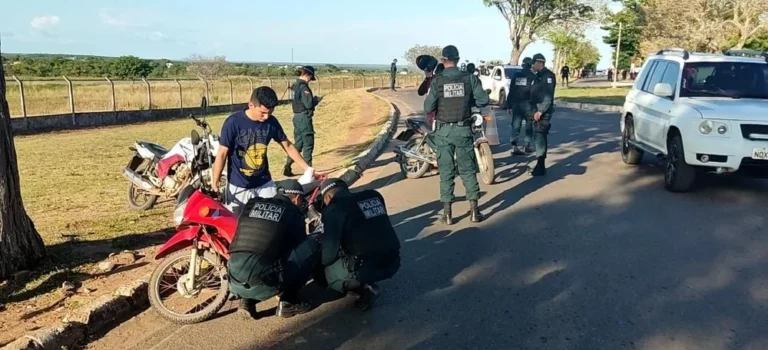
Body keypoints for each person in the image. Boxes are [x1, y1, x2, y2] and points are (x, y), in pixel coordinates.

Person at [228, 179, 321, 319]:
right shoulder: (291, 212)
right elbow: (299, 245)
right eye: (301, 199)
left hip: (234, 279)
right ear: (296, 198)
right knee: (311, 246)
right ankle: (288, 302)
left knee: (255, 253)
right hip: (262, 280)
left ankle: (247, 301)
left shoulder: (252, 204)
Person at [212, 86, 312, 216]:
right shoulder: (233, 123)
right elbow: (222, 154)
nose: (266, 117)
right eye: (262, 113)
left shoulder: (272, 122)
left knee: (273, 217)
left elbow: (288, 146)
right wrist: (215, 181)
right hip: (239, 185)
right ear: (251, 105)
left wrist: (308, 169)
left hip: (264, 183)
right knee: (237, 222)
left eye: (270, 113)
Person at [424, 45, 490, 225]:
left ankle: (447, 214)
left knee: (446, 172)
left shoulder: (438, 81)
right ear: (458, 60)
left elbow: (428, 107)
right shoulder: (470, 78)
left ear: (443, 60)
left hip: (444, 132)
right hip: (463, 131)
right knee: (468, 170)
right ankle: (475, 212)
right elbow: (484, 100)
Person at [318, 178, 401, 311]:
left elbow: (327, 257)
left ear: (327, 198)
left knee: (326, 271)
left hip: (365, 268)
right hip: (394, 262)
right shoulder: (374, 195)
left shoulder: (333, 209)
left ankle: (364, 287)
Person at [284, 66, 319, 177]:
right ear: (307, 75)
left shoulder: (295, 86)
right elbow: (308, 104)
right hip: (304, 117)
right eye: (310, 78)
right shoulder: (303, 87)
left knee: (298, 144)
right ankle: (309, 171)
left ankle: (287, 166)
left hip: (296, 117)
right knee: (308, 143)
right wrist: (316, 100)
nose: (310, 80)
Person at [529, 53, 556, 176]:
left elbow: (548, 97)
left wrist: (541, 111)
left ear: (539, 63)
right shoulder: (539, 76)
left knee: (540, 137)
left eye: (533, 63)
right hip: (536, 110)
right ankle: (539, 165)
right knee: (537, 137)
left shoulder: (547, 76)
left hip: (543, 112)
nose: (532, 66)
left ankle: (540, 166)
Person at [505, 57, 536, 156]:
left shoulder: (516, 75)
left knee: (516, 125)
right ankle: (527, 145)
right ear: (530, 65)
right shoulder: (533, 76)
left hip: (516, 105)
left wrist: (509, 105)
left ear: (523, 65)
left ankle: (514, 146)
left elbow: (511, 91)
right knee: (529, 125)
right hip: (529, 105)